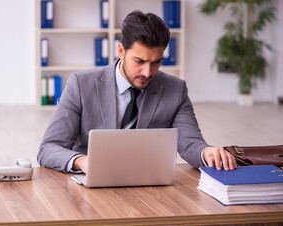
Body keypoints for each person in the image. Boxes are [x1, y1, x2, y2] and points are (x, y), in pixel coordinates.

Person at [38, 10, 237, 173]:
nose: (147, 72)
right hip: (90, 185)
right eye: (139, 61)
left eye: (156, 62)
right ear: (121, 51)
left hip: (149, 186)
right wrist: (82, 161)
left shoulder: (175, 90)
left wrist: (207, 152)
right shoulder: (81, 85)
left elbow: (190, 143)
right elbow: (48, 149)